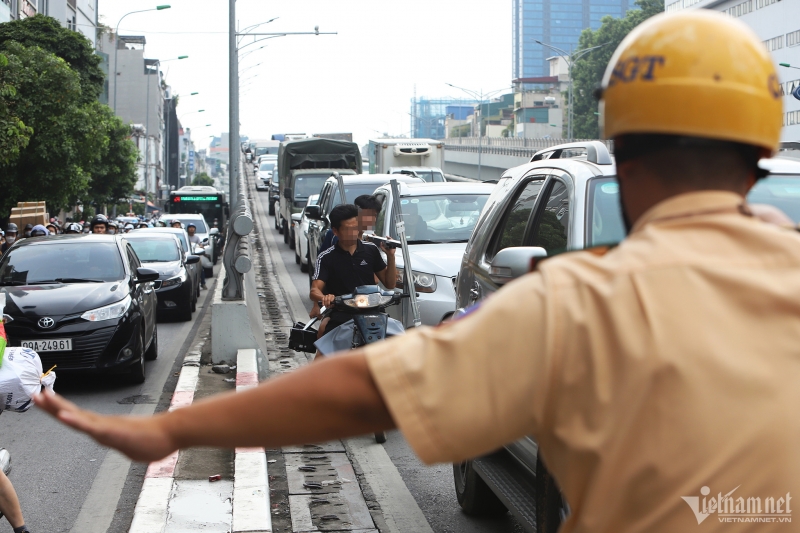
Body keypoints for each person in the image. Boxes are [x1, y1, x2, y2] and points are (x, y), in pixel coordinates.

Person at [35, 12, 799, 533]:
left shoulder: (580, 306)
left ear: (621, 156)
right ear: (763, 153)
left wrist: (168, 429)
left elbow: (365, 386)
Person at [310, 204, 396, 348]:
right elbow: (314, 290)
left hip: (374, 311)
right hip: (342, 314)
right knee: (323, 351)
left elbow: (390, 283)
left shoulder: (371, 250)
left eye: (355, 227)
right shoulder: (326, 258)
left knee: (399, 345)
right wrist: (325, 297)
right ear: (335, 231)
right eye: (347, 229)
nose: (353, 233)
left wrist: (391, 257)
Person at [186, 223, 207, 290]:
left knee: (201, 269)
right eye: (190, 227)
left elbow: (200, 245)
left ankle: (203, 283)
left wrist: (200, 246)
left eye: (193, 227)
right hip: (188, 256)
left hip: (196, 255)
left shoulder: (197, 238)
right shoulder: (186, 237)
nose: (191, 229)